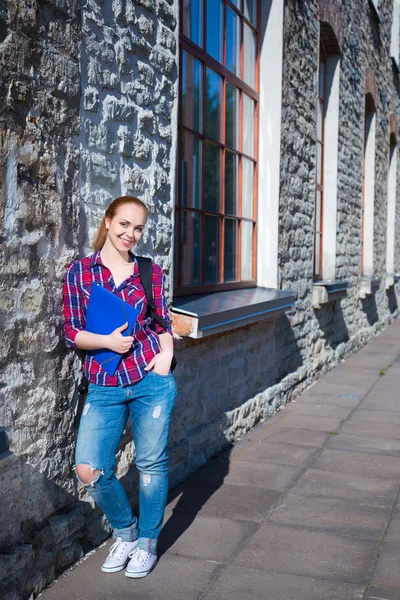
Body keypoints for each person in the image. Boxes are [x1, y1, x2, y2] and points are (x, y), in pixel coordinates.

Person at [63, 195, 177, 578]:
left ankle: (147, 543)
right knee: (88, 467)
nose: (131, 233)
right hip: (105, 382)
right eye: (124, 224)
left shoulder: (150, 273)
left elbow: (162, 324)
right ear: (108, 222)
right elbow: (71, 331)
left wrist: (165, 359)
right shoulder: (81, 273)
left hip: (150, 380)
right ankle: (125, 532)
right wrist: (107, 342)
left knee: (149, 465)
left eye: (139, 227)